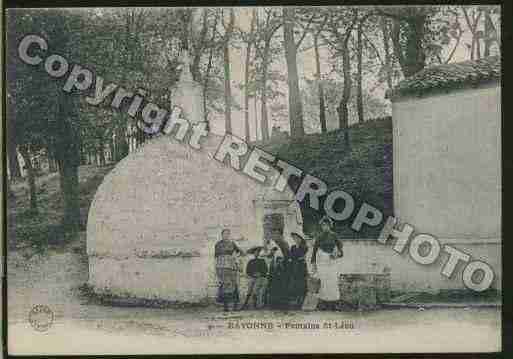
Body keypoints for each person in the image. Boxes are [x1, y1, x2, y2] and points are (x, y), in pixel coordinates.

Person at [311, 216, 344, 310]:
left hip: (332, 261)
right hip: (322, 261)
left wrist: (336, 255)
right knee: (324, 281)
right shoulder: (319, 237)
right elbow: (314, 251)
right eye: (323, 225)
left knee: (333, 281)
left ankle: (334, 303)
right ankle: (324, 303)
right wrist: (314, 264)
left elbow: (341, 251)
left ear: (330, 226)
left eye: (326, 225)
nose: (324, 227)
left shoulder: (334, 236)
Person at [214, 228, 244, 312]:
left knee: (234, 284)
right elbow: (216, 257)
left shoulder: (232, 243)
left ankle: (235, 306)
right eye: (224, 234)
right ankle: (225, 306)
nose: (226, 235)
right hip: (222, 266)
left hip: (232, 266)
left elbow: (241, 252)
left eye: (228, 234)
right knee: (225, 285)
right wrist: (217, 268)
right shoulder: (218, 244)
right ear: (222, 235)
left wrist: (236, 258)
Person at [287, 232, 309, 309]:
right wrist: (293, 258)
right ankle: (295, 299)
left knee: (301, 282)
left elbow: (302, 257)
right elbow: (290, 256)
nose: (296, 239)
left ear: (300, 238)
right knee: (294, 282)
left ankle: (301, 299)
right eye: (294, 238)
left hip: (301, 267)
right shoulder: (293, 247)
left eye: (297, 238)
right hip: (294, 267)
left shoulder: (304, 247)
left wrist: (295, 258)